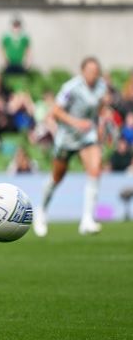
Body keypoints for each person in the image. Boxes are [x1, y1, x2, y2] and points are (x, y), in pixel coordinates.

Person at [33, 57, 107, 237]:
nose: (93, 75)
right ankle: (41, 211)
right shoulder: (71, 88)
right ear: (82, 72)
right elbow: (56, 112)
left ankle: (87, 220)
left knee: (95, 170)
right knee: (57, 177)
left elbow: (100, 106)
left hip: (87, 136)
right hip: (67, 137)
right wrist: (76, 123)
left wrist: (99, 125)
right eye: (89, 71)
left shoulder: (101, 86)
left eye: (95, 72)